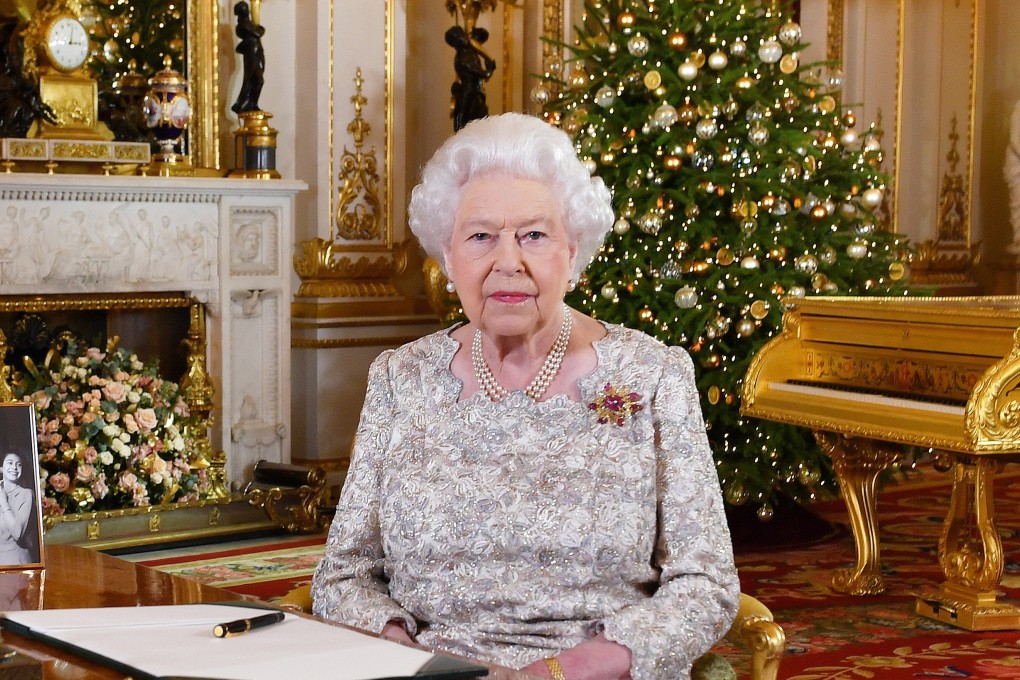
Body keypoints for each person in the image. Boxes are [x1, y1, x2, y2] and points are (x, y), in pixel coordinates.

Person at [311, 113, 739, 680]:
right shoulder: (400, 377)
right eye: (481, 236)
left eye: (534, 235)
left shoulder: (654, 375)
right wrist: (406, 655)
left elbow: (706, 584)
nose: (507, 261)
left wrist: (567, 670)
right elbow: (343, 576)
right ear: (448, 253)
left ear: (572, 249)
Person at [230, 0, 265, 114]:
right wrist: (260, 28)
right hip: (252, 55)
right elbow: (258, 33)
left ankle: (253, 104)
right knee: (254, 79)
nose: (247, 11)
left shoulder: (248, 23)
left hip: (258, 52)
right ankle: (242, 104)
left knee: (257, 80)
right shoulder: (243, 25)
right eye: (245, 9)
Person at [0, 451, 33, 565]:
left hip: (16, 561)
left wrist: (3, 501)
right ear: (1, 468)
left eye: (18, 464)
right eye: (10, 463)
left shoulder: (26, 494)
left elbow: (17, 533)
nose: (14, 467)